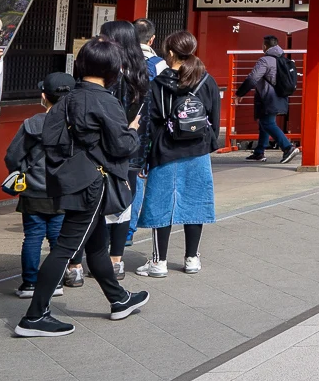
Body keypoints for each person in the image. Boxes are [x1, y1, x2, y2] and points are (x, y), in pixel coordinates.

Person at [15, 38, 149, 337]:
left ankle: (119, 299)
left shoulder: (67, 98)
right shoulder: (104, 100)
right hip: (92, 182)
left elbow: (51, 138)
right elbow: (121, 146)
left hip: (71, 178)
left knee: (96, 244)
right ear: (114, 68)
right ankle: (35, 316)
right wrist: (133, 130)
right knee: (65, 248)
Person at [134, 31, 220, 277]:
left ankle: (159, 261)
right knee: (195, 200)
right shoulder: (206, 80)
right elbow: (213, 119)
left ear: (170, 52)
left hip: (165, 149)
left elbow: (149, 123)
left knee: (161, 203)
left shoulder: (158, 83)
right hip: (198, 150)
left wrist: (144, 156)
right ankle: (192, 258)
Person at [4, 72, 73, 299]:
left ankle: (30, 284)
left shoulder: (32, 124)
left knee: (32, 237)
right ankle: (57, 283)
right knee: (57, 239)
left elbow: (13, 157)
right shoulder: (75, 124)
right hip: (63, 191)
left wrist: (24, 171)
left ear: (44, 96)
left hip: (33, 189)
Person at [98, 19, 152, 280]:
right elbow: (147, 119)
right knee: (122, 204)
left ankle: (84, 261)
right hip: (133, 149)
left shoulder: (111, 73)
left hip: (107, 149)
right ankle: (116, 259)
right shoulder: (141, 72)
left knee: (98, 203)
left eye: (103, 36)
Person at [238, 35, 300, 164]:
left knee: (267, 123)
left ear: (265, 46)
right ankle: (259, 152)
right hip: (280, 96)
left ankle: (288, 147)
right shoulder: (283, 59)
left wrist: (240, 93)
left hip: (268, 97)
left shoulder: (265, 60)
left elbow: (253, 78)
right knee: (263, 123)